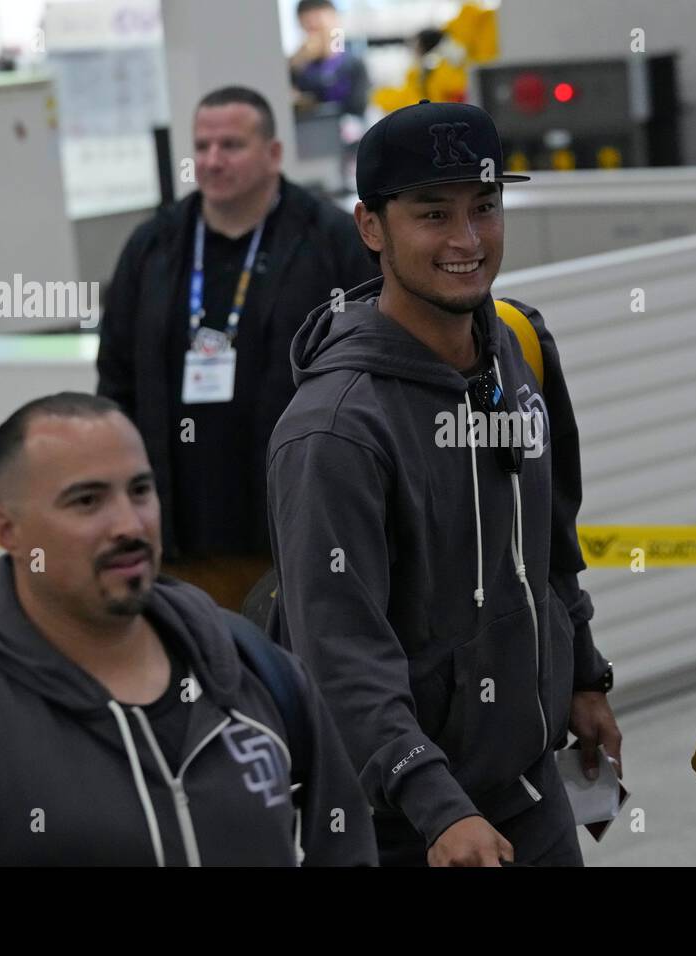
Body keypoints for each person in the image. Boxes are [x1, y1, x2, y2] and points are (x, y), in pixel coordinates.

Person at [266, 100, 621, 867]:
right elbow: (339, 649)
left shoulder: (517, 346)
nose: (467, 240)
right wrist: (434, 804)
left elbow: (552, 539)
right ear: (371, 227)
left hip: (531, 794)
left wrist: (583, 677)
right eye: (433, 214)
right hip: (410, 826)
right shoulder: (335, 430)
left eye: (484, 208)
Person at [0, 393, 375, 866]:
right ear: (7, 529)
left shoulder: (262, 676)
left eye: (140, 491)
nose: (128, 525)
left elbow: (346, 847)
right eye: (87, 501)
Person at [96, 86, 377, 610]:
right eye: (201, 147)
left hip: (293, 529)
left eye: (230, 145)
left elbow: (369, 375)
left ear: (273, 153)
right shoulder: (154, 246)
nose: (212, 160)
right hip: (178, 537)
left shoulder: (332, 241)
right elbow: (115, 377)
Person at [289, 0, 370, 117]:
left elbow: (359, 106)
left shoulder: (352, 63)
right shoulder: (298, 66)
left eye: (319, 27)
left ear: (334, 20)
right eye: (309, 28)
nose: (315, 35)